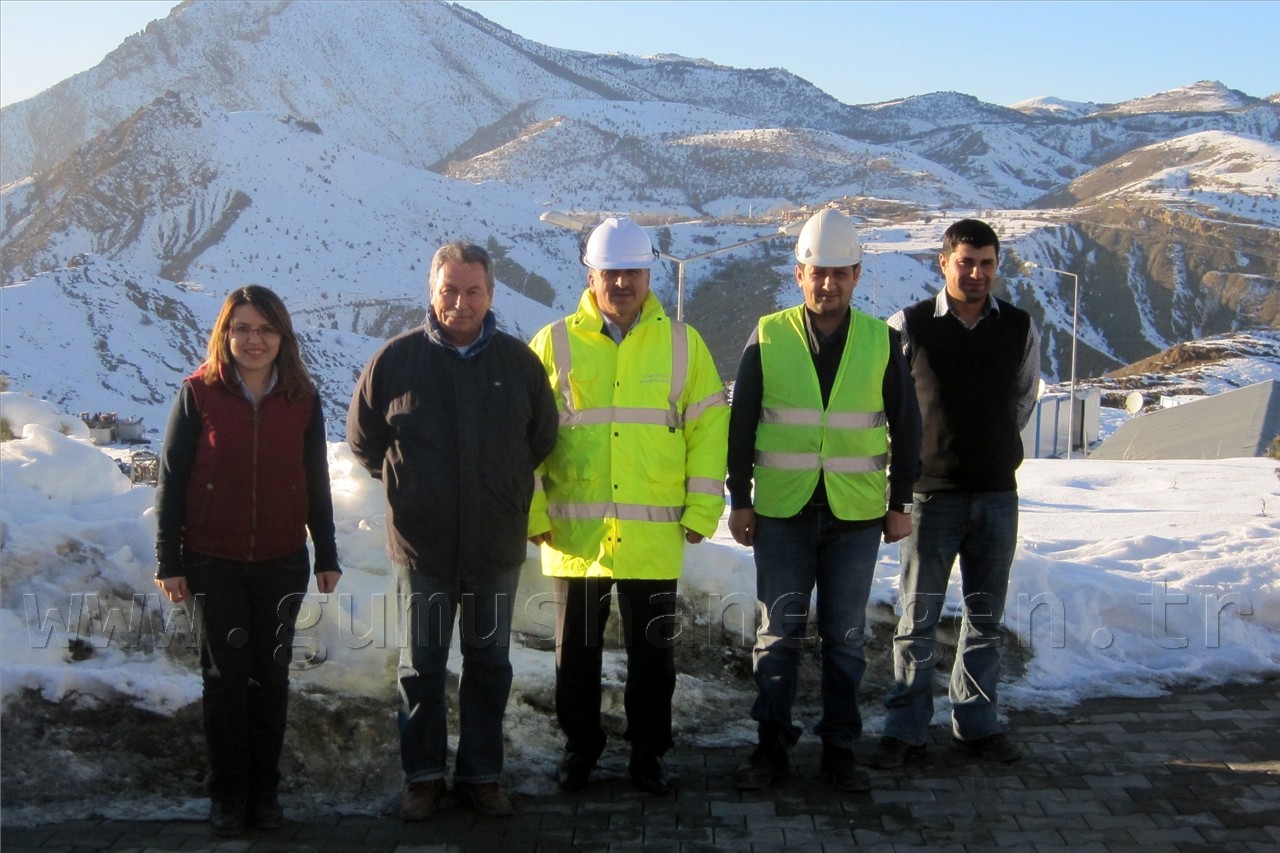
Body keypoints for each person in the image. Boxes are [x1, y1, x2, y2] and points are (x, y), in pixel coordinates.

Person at [347, 242, 558, 820]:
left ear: (490, 295)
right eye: (449, 291)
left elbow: (541, 439)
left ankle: (481, 776)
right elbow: (364, 440)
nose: (460, 303)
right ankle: (423, 777)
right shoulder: (396, 360)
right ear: (431, 292)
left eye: (472, 291)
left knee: (490, 665)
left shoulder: (518, 364)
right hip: (423, 548)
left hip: (494, 546)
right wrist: (411, 490)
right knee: (422, 666)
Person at [527, 217, 728, 796]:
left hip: (653, 534)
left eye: (633, 273)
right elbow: (527, 439)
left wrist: (700, 513)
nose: (622, 284)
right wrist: (535, 514)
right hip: (575, 537)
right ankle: (580, 749)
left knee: (653, 660)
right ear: (591, 276)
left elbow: (710, 430)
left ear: (649, 274)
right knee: (576, 659)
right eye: (610, 273)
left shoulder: (682, 344)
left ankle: (648, 753)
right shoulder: (554, 342)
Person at [725, 209, 922, 792]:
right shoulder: (767, 334)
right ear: (799, 274)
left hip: (856, 516)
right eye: (817, 272)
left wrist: (900, 502)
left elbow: (906, 429)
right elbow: (741, 425)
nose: (827, 283)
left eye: (839, 273)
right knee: (777, 636)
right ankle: (772, 748)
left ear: (857, 275)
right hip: (782, 512)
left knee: (845, 640)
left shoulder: (882, 341)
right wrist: (740, 498)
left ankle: (840, 749)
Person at [154, 285, 341, 837]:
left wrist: (325, 551)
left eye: (265, 328)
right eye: (242, 328)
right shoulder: (199, 393)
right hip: (214, 559)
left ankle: (265, 793)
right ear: (224, 334)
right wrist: (170, 559)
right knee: (225, 679)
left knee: (272, 678)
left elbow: (315, 481)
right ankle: (228, 795)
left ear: (282, 335)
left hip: (283, 559)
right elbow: (172, 480)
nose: (253, 339)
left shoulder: (302, 398)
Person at [873, 218, 1041, 769]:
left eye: (987, 262)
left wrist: (992, 446)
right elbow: (886, 404)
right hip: (930, 497)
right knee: (916, 619)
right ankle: (905, 730)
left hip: (996, 495)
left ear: (998, 266)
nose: (976, 272)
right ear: (942, 263)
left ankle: (976, 724)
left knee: (985, 618)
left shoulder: (1018, 326)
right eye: (965, 261)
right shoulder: (909, 325)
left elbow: (1022, 400)